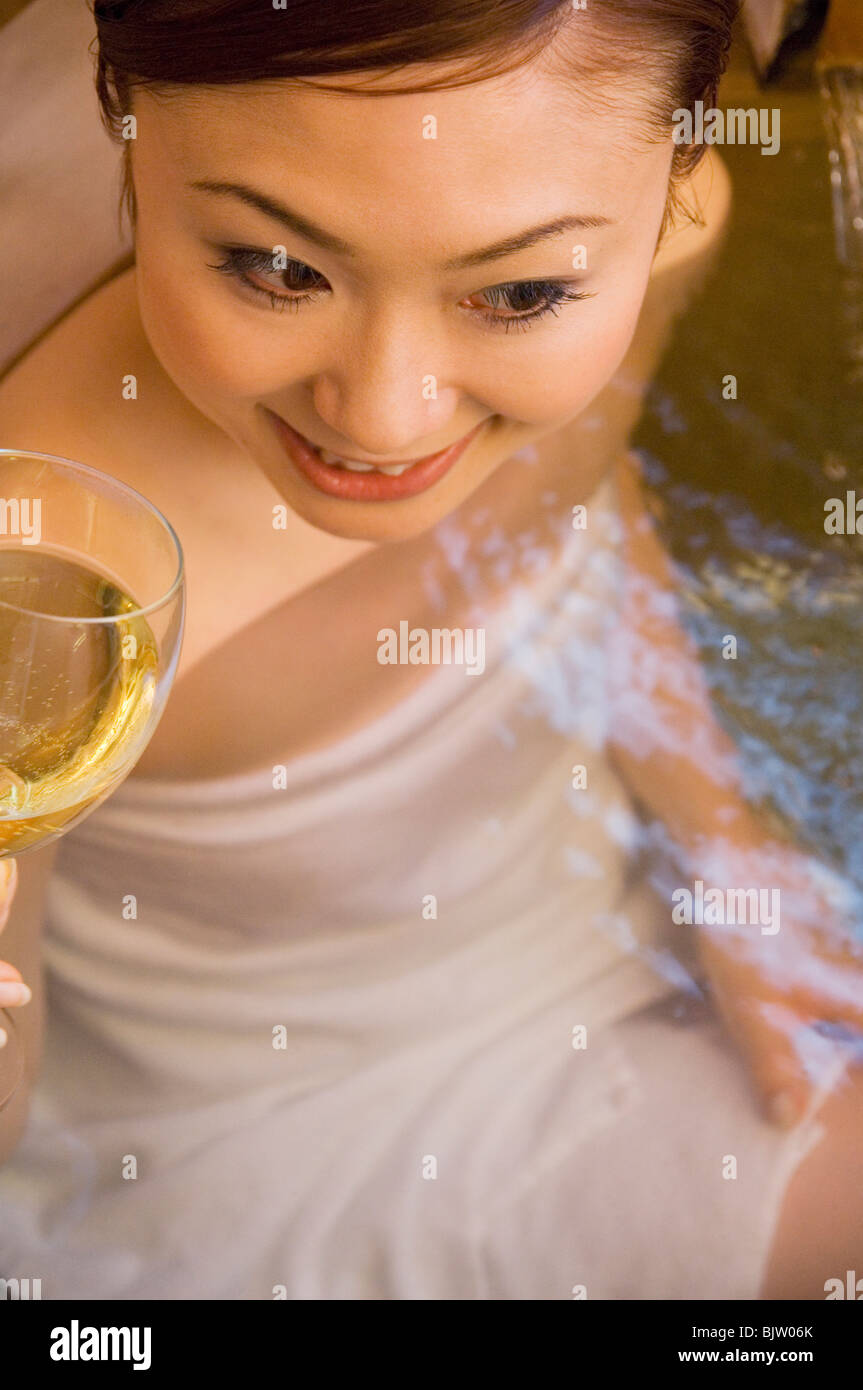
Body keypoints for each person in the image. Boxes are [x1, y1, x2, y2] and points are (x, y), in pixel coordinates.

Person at [0, 0, 861, 1300]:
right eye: (277, 267)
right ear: (124, 115)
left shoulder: (674, 229)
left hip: (602, 906)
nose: (384, 417)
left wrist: (726, 856)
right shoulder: (55, 576)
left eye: (520, 292)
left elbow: (583, 505)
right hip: (281, 1135)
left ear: (676, 174)